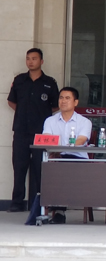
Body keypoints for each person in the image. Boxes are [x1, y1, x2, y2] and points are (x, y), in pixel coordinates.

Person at [7, 48, 59, 212]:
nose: (30, 61)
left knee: (39, 167)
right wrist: (24, 112)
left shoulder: (49, 82)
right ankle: (17, 203)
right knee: (19, 167)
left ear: (41, 61)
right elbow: (11, 101)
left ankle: (40, 203)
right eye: (28, 58)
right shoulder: (19, 80)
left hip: (41, 133)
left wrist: (39, 114)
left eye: (34, 58)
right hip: (21, 130)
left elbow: (56, 105)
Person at [42, 87, 93, 224]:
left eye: (67, 98)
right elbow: (47, 139)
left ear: (76, 102)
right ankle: (48, 207)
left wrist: (61, 149)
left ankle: (58, 210)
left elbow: (80, 141)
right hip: (56, 158)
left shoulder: (84, 122)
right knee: (47, 165)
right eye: (61, 98)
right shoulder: (50, 121)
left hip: (78, 159)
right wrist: (57, 151)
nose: (63, 101)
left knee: (60, 167)